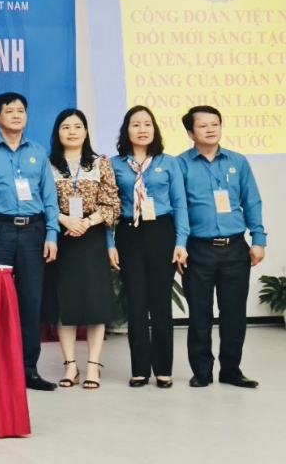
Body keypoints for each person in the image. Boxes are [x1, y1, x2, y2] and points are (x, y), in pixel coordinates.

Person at [0, 92, 59, 391]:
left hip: (34, 232)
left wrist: (51, 233)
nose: (17, 115)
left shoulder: (37, 152)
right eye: (10, 111)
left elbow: (49, 196)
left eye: (21, 110)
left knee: (31, 302)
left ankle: (29, 370)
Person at [178, 105, 265, 389]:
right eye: (203, 125)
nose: (210, 129)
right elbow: (178, 209)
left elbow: (252, 201)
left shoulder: (237, 161)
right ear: (191, 133)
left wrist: (259, 239)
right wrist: (179, 246)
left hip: (235, 248)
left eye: (215, 124)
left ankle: (231, 370)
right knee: (199, 314)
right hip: (198, 249)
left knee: (234, 314)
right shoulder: (180, 164)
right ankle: (202, 371)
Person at [111, 105, 188, 388]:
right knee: (136, 304)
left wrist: (181, 242)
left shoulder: (168, 162)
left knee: (160, 303)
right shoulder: (114, 164)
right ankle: (140, 369)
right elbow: (108, 207)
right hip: (129, 233)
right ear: (126, 130)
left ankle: (164, 369)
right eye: (136, 124)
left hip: (162, 232)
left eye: (147, 124)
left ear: (154, 129)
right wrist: (109, 244)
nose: (142, 129)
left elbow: (180, 204)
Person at [44, 109, 119, 389]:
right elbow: (41, 201)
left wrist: (86, 222)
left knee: (95, 304)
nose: (72, 131)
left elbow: (112, 203)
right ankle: (70, 366)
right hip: (61, 236)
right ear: (58, 132)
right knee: (67, 304)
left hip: (92, 236)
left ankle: (93, 367)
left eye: (77, 126)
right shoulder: (47, 164)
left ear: (86, 132)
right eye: (66, 127)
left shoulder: (100, 163)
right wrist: (65, 220)